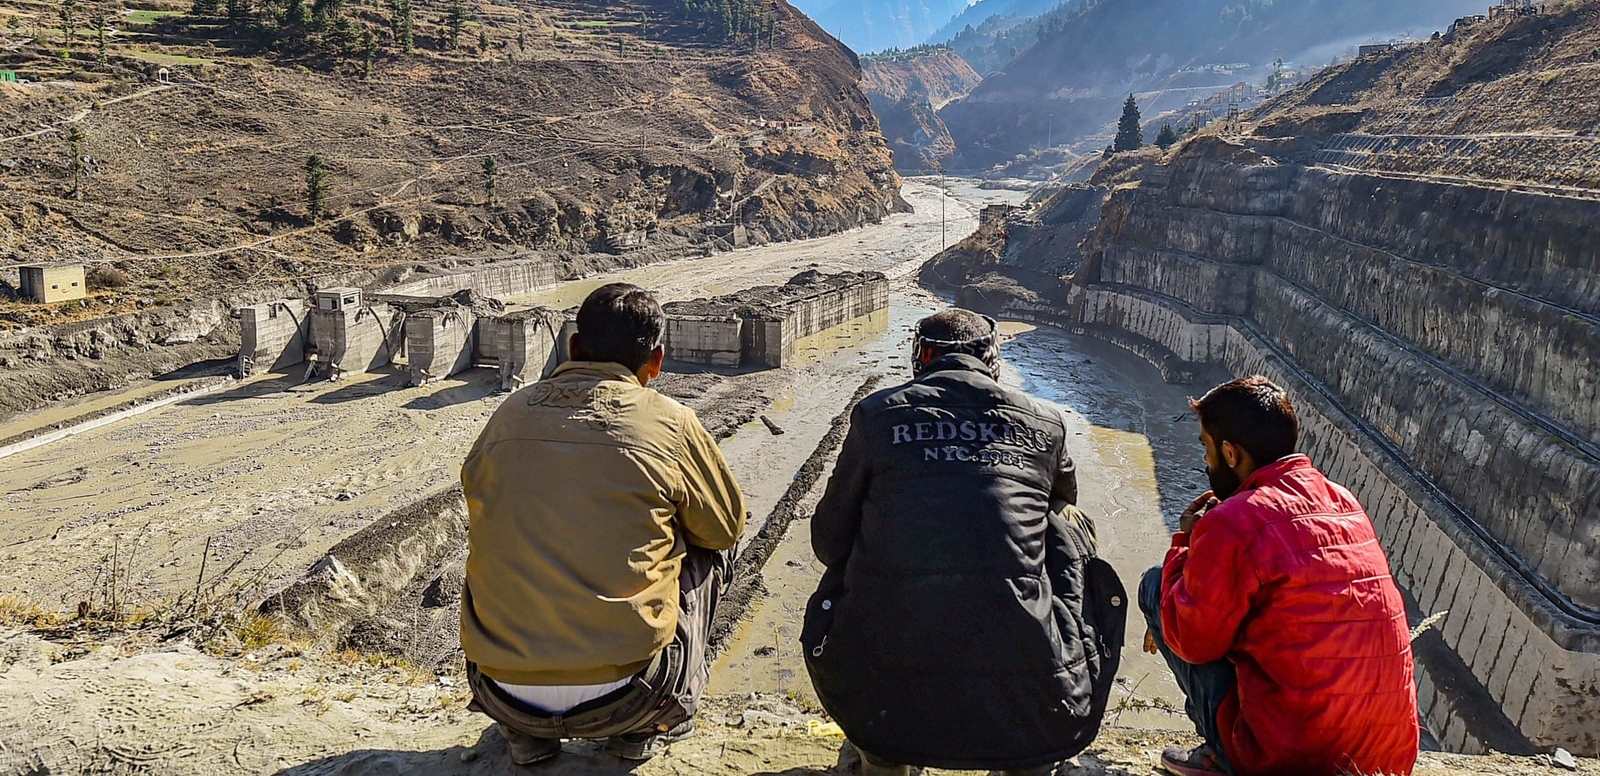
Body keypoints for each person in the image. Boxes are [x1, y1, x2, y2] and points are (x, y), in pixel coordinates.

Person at [803, 308, 1126, 776]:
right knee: (1064, 524)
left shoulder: (877, 416)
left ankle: (882, 752)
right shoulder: (1047, 424)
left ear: (922, 357)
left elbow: (828, 541)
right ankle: (1034, 722)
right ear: (991, 359)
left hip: (881, 702)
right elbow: (1060, 519)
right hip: (1030, 694)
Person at [459, 283, 746, 765]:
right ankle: (644, 728)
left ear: (574, 347)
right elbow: (724, 529)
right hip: (632, 697)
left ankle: (527, 737)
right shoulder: (670, 420)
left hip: (499, 691)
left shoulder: (507, 414)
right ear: (656, 362)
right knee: (708, 547)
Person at [1141, 376, 1418, 776]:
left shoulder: (1232, 522)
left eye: (1207, 448)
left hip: (1289, 758)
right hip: (1388, 755)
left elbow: (1191, 639)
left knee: (1155, 585)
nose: (1206, 462)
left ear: (1230, 453)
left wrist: (1185, 547)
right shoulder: (1344, 502)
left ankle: (1222, 754)